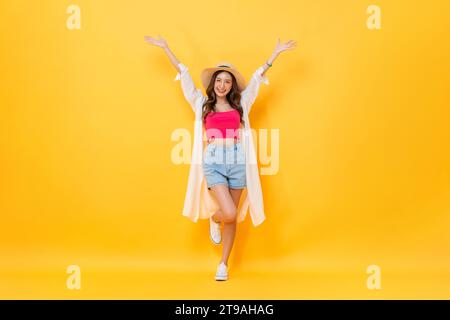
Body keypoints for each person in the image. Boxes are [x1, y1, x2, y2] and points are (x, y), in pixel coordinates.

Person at [144, 35, 297, 280]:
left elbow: (257, 79)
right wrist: (166, 48)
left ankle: (223, 264)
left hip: (238, 161)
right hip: (214, 160)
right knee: (229, 212)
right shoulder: (202, 103)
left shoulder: (241, 105)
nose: (222, 85)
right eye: (219, 80)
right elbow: (184, 75)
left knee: (232, 216)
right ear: (213, 83)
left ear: (232, 86)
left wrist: (275, 54)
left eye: (227, 81)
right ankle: (215, 219)